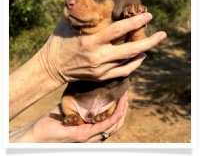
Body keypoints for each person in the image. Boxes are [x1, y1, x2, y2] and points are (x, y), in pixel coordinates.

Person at [9, 13, 167, 142]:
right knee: (69, 99)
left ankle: (91, 114)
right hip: (78, 101)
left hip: (106, 99)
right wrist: (52, 66)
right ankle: (75, 115)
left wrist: (35, 135)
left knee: (116, 96)